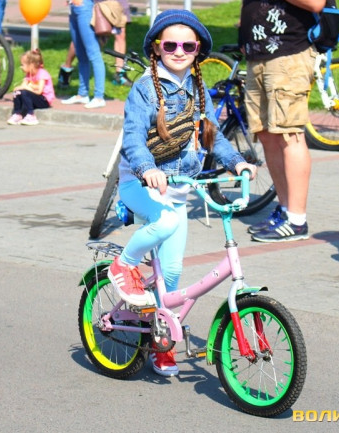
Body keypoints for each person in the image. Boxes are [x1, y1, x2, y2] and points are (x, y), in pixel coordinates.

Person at [107, 9, 256, 376]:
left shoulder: (198, 90)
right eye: (170, 45)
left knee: (172, 272)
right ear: (157, 48)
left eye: (187, 46)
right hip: (139, 184)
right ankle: (123, 265)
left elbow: (213, 136)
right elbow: (133, 138)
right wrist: (148, 169)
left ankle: (162, 340)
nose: (179, 51)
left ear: (197, 50)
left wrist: (237, 163)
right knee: (165, 222)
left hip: (178, 189)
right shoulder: (145, 88)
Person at [238, 0, 325, 242]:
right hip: (258, 54)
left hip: (289, 53)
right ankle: (285, 209)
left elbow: (316, 3)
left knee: (289, 134)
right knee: (267, 134)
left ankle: (297, 220)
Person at [61, 0, 107, 108]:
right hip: (74, 8)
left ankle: (99, 97)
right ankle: (82, 94)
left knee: (94, 54)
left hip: (84, 7)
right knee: (81, 55)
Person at [7, 49, 55, 126]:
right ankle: (17, 114)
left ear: (31, 65)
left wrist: (27, 88)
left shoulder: (42, 74)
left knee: (25, 93)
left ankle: (31, 115)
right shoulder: (28, 74)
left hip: (44, 100)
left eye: (23, 65)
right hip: (34, 97)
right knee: (18, 92)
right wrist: (17, 89)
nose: (21, 67)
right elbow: (23, 86)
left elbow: (39, 91)